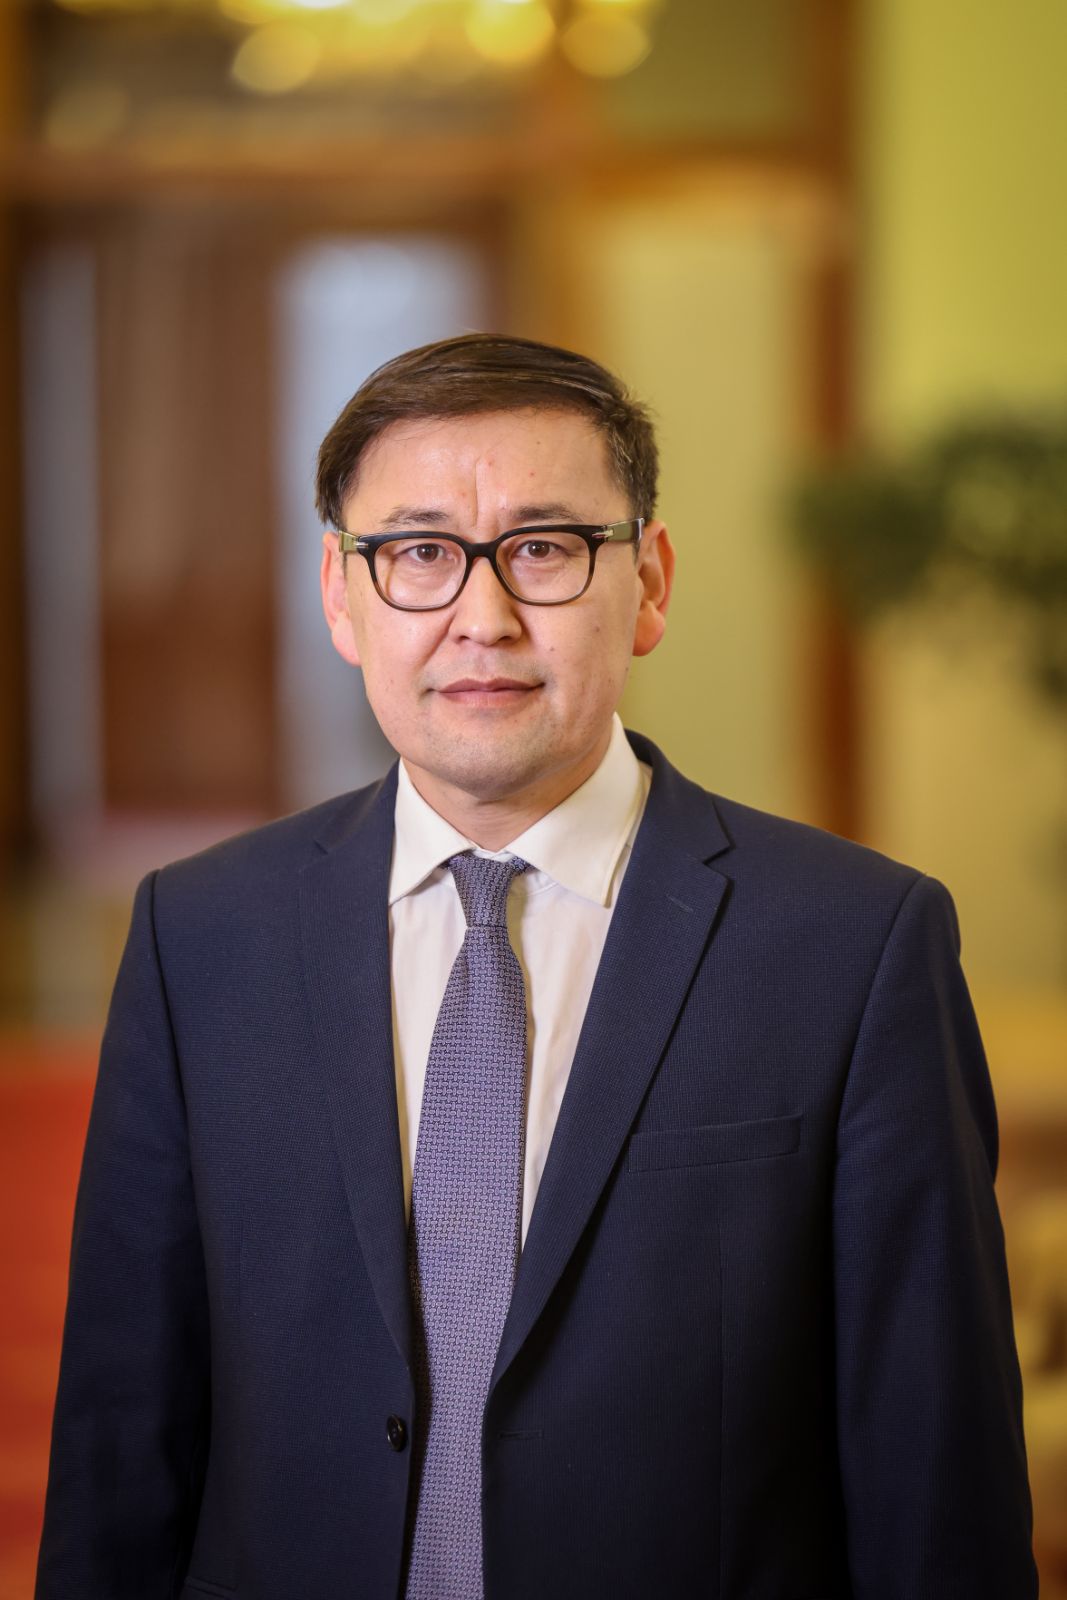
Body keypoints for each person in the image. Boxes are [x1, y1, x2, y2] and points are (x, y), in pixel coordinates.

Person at [36, 334, 1036, 1600]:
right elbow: (123, 1444)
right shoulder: (199, 938)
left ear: (648, 583)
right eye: (417, 553)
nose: (482, 617)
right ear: (341, 596)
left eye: (544, 548)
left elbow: (934, 1481)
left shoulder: (855, 946)